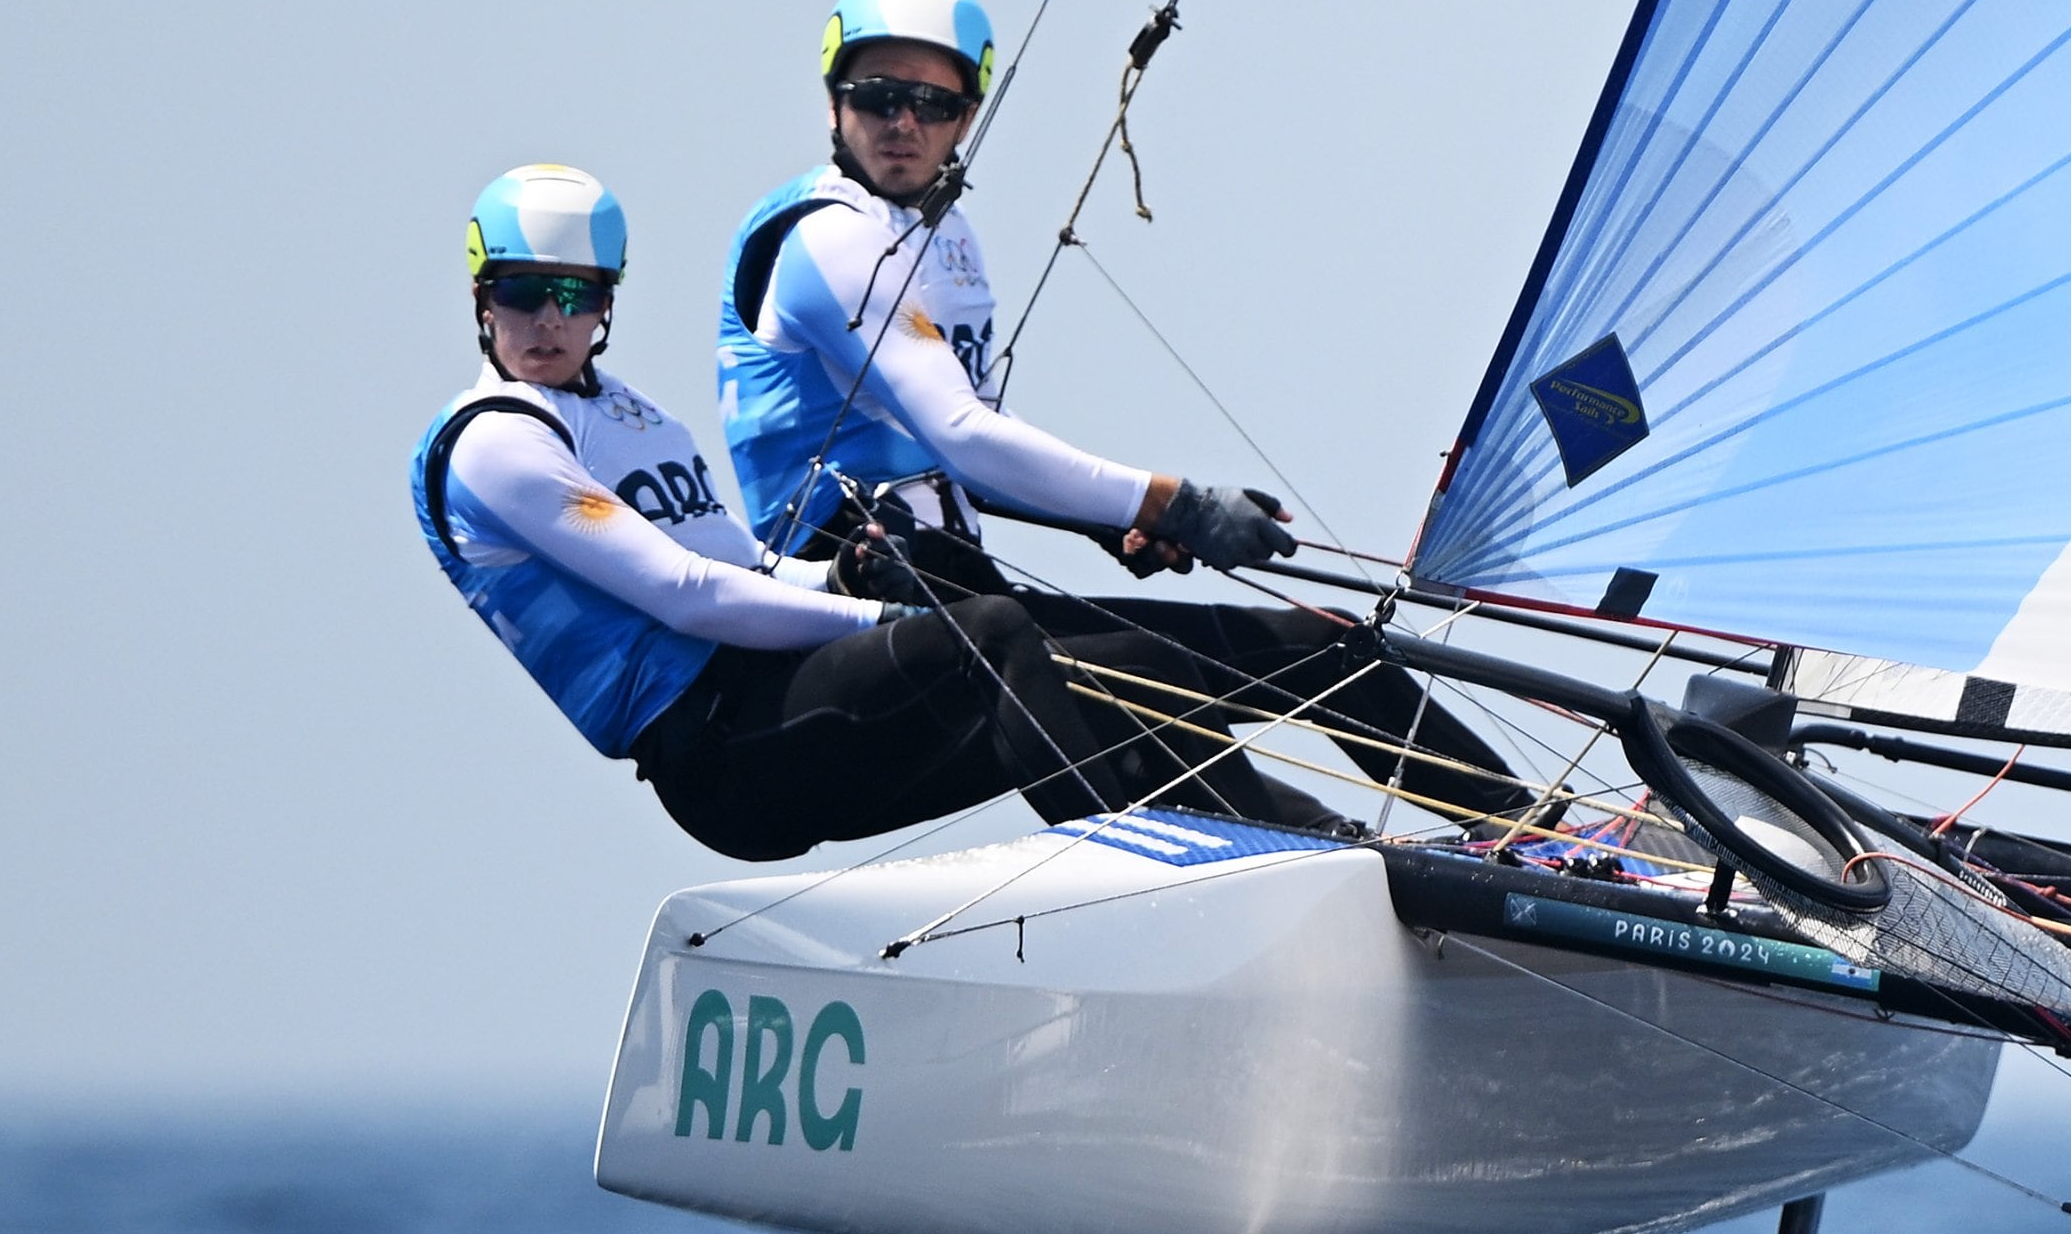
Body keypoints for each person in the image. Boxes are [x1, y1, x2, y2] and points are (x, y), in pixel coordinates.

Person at [415, 167, 1491, 863]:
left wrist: (831, 584)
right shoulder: (494, 445)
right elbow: (685, 593)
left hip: (787, 695)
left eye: (576, 297)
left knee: (1219, 653)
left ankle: (1527, 831)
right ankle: (1277, 862)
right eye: (522, 293)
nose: (548, 322)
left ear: (608, 303)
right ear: (480, 298)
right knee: (1004, 634)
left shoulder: (632, 416)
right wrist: (884, 624)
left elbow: (739, 560)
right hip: (721, 758)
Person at [713, 0, 1524, 832]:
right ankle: (1365, 858)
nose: (904, 123)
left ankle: (1525, 835)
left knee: (1326, 649)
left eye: (933, 103)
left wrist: (1110, 521)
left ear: (968, 119)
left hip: (961, 576)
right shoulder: (829, 237)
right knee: (1148, 677)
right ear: (836, 101)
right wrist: (1170, 500)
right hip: (874, 600)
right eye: (879, 97)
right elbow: (964, 435)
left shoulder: (942, 238)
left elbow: (976, 450)